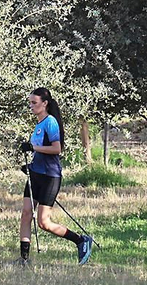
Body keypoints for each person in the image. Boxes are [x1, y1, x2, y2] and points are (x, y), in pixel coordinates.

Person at [17, 87, 94, 265]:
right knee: (26, 214)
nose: (30, 106)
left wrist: (33, 148)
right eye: (30, 102)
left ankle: (80, 240)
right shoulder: (39, 124)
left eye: (34, 103)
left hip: (50, 177)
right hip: (36, 174)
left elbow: (56, 149)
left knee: (44, 222)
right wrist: (30, 165)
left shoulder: (50, 122)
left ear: (44, 104)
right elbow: (41, 152)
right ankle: (24, 259)